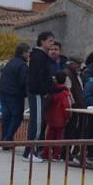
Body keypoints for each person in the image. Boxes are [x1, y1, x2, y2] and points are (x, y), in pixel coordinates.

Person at [25, 31, 55, 162]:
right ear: (42, 41)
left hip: (40, 93)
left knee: (37, 122)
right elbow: (37, 77)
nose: (52, 43)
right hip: (37, 93)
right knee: (36, 123)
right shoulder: (38, 56)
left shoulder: (42, 56)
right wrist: (44, 90)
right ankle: (31, 152)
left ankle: (31, 151)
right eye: (50, 40)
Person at [0, 42, 29, 148]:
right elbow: (23, 82)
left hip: (4, 92)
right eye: (28, 52)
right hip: (15, 94)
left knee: (6, 116)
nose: (29, 55)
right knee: (17, 116)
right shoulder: (22, 65)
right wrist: (26, 93)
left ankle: (5, 139)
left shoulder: (10, 62)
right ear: (23, 53)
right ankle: (7, 139)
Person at [43, 72, 72, 158]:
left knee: (49, 136)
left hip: (50, 117)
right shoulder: (64, 93)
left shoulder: (51, 91)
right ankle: (56, 154)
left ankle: (46, 153)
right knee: (58, 137)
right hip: (60, 118)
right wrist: (68, 116)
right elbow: (66, 106)